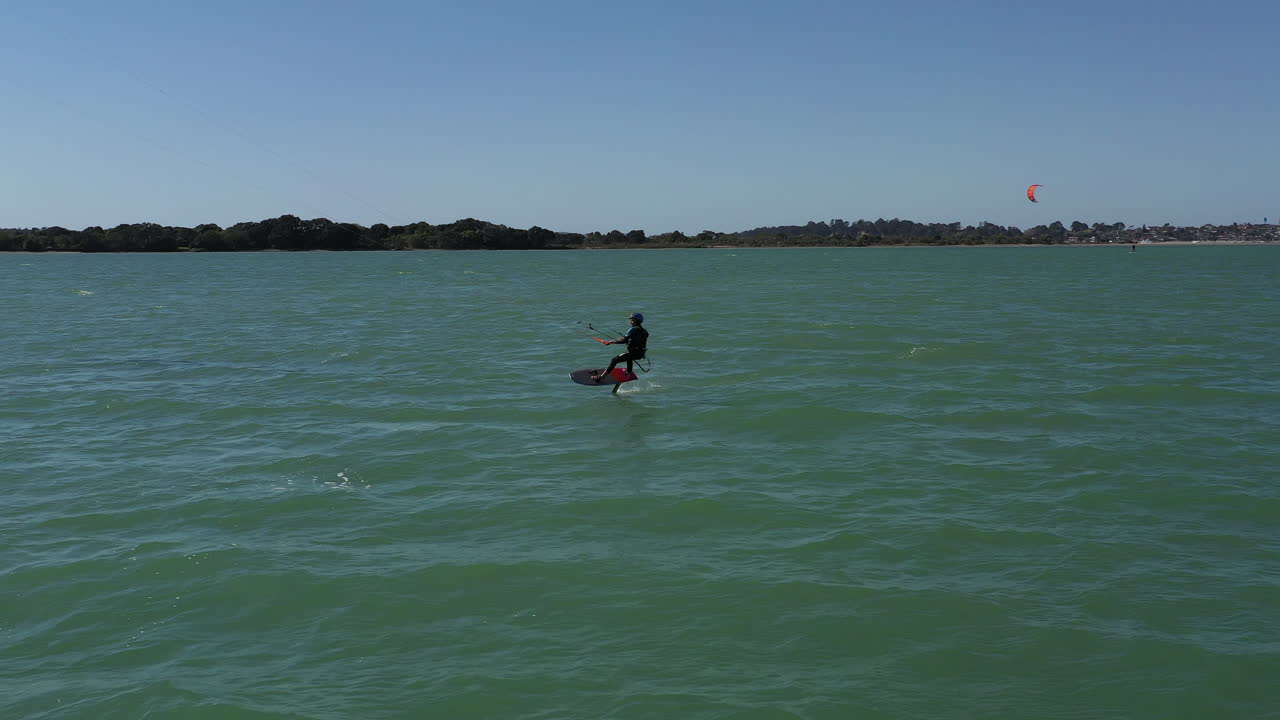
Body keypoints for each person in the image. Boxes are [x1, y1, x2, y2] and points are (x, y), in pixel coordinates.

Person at [593, 313, 648, 382]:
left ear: (636, 321)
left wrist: (612, 342)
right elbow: (637, 340)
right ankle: (629, 372)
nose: (631, 322)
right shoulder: (645, 331)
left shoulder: (633, 329)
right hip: (640, 354)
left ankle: (602, 377)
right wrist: (629, 341)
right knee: (628, 356)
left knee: (614, 360)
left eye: (632, 320)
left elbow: (624, 340)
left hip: (634, 353)